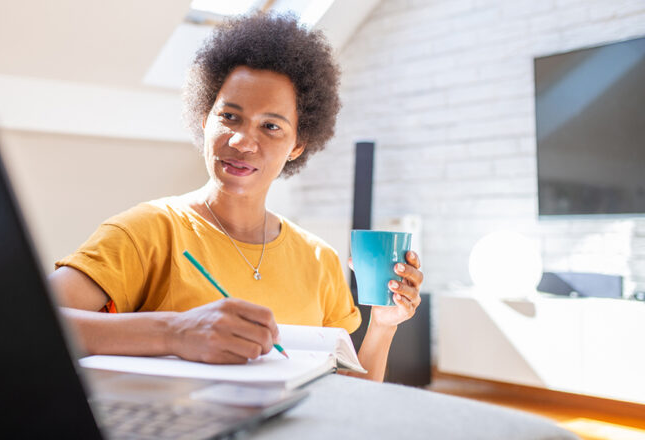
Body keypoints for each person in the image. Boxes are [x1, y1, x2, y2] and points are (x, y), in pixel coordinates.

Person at [49, 13, 424, 382]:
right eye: (229, 116)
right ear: (204, 119)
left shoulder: (319, 260)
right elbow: (21, 319)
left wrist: (383, 326)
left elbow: (352, 398)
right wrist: (174, 333)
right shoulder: (147, 231)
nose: (242, 141)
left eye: (271, 126)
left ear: (297, 145)